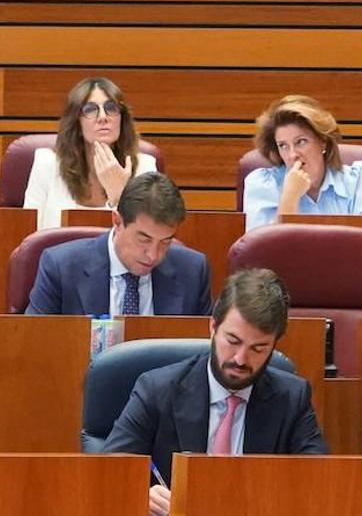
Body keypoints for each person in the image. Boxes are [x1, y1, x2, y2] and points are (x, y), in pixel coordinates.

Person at [103, 268, 328, 516]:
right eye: (232, 341)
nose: (241, 359)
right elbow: (109, 476)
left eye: (259, 348)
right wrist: (141, 495)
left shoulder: (292, 398)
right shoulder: (157, 390)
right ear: (213, 326)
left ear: (274, 344)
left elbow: (317, 485)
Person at [25, 171, 211, 316]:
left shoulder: (192, 271)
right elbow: (36, 344)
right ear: (117, 221)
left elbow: (205, 353)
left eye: (165, 242)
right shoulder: (61, 267)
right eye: (144, 239)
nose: (154, 255)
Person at [24, 76, 158, 230]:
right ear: (76, 122)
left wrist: (119, 196)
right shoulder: (46, 165)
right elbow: (27, 240)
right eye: (90, 110)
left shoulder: (144, 169)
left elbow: (147, 240)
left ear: (122, 119)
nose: (103, 117)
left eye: (111, 108)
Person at [242, 94, 362, 230]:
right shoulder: (262, 183)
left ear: (323, 142)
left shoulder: (359, 180)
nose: (292, 155)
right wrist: (290, 197)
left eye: (301, 142)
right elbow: (263, 252)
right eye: (283, 145)